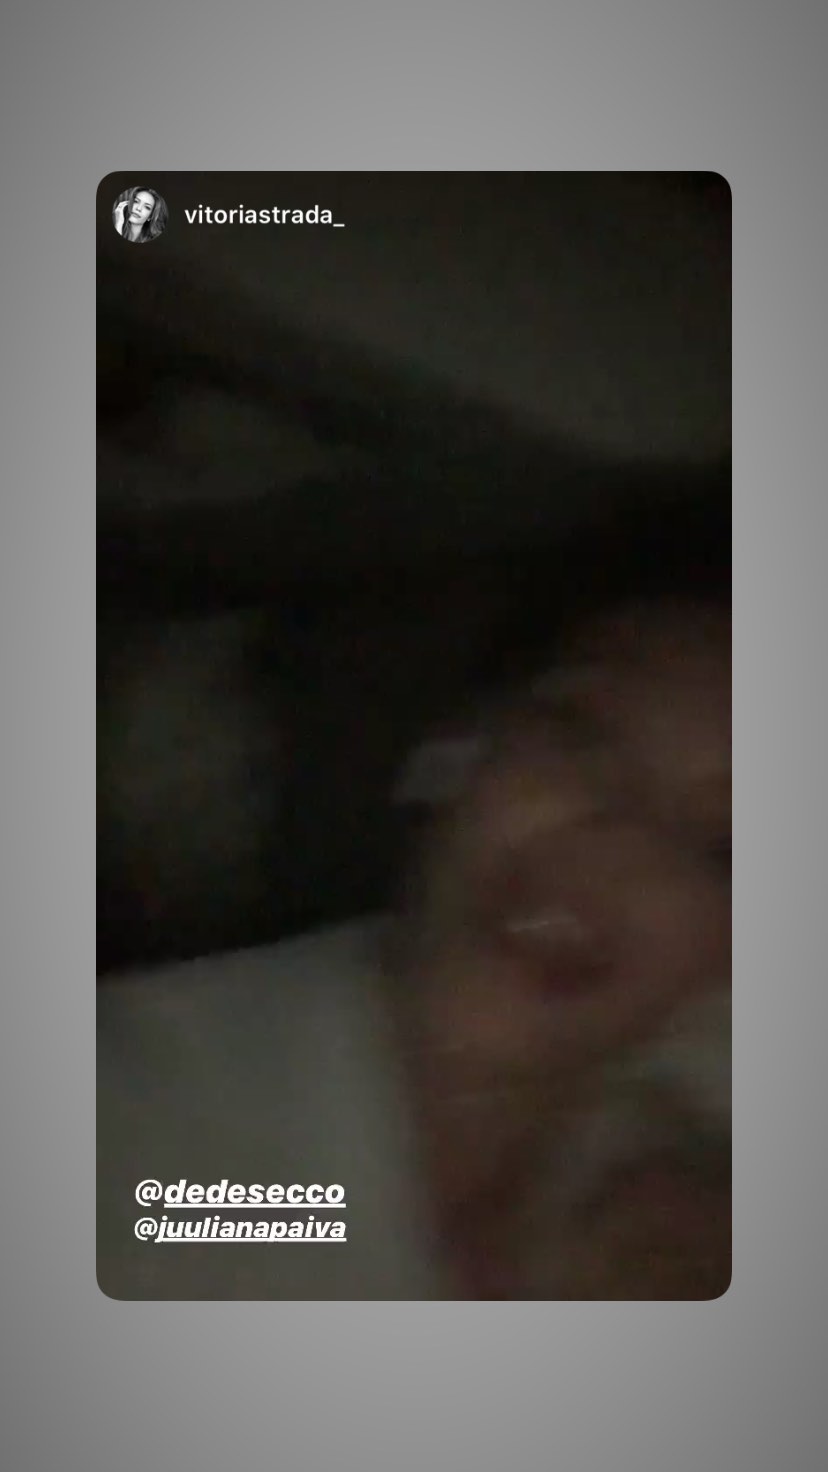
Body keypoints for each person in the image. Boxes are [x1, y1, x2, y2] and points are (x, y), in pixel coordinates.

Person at [96, 493, 731, 1299]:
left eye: (721, 847)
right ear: (453, 750)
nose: (618, 845)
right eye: (583, 738)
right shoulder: (143, 1131)